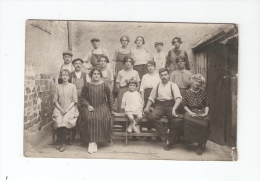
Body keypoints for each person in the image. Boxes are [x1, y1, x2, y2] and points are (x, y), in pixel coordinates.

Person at [79, 67, 116, 154]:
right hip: (90, 106)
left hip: (102, 106)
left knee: (100, 118)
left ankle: (93, 142)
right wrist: (88, 105)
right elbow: (82, 97)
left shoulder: (104, 85)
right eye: (94, 74)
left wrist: (112, 109)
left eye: (98, 74)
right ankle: (92, 142)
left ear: (100, 75)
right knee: (89, 118)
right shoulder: (87, 85)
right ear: (91, 75)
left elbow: (110, 97)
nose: (96, 75)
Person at [144, 68, 182, 151]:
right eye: (161, 75)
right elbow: (151, 98)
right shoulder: (157, 85)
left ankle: (169, 141)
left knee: (176, 120)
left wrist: (174, 109)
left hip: (171, 105)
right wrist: (146, 108)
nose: (163, 77)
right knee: (151, 117)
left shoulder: (173, 85)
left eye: (165, 75)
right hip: (160, 105)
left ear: (168, 75)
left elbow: (178, 98)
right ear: (159, 76)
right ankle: (166, 134)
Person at [182, 74, 210, 155]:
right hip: (191, 112)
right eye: (196, 81)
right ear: (192, 81)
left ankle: (200, 145)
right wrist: (190, 113)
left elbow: (207, 105)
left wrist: (205, 113)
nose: (197, 83)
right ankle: (190, 139)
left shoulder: (203, 93)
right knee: (187, 119)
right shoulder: (187, 92)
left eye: (199, 82)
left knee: (204, 124)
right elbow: (184, 105)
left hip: (201, 112)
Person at [52, 69, 79, 152]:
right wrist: (61, 109)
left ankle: (63, 143)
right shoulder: (58, 86)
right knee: (58, 120)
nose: (65, 76)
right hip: (59, 108)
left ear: (69, 77)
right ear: (61, 76)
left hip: (70, 108)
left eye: (67, 75)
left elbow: (74, 100)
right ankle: (61, 141)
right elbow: (55, 100)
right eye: (63, 75)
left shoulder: (72, 86)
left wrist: (66, 109)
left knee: (65, 120)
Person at [139, 60, 162, 142]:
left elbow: (161, 87)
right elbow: (142, 89)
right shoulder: (145, 76)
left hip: (156, 95)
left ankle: (157, 134)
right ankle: (149, 134)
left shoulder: (158, 76)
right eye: (148, 66)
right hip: (147, 95)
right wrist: (142, 99)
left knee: (156, 114)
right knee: (148, 113)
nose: (150, 67)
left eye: (152, 66)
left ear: (155, 67)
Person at [69, 58, 87, 141]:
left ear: (82, 65)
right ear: (73, 65)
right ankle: (72, 135)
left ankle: (82, 136)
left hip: (82, 99)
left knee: (82, 117)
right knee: (73, 116)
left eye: (80, 63)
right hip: (72, 100)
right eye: (76, 63)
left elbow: (88, 88)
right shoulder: (70, 75)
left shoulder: (85, 75)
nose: (78, 65)